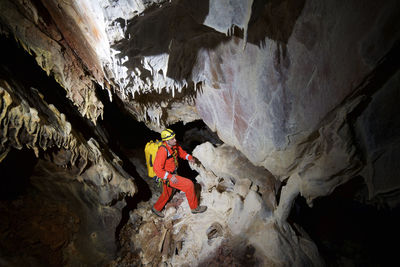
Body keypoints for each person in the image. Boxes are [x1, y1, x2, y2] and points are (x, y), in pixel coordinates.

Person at [151, 128, 207, 217]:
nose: (175, 140)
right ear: (167, 141)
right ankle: (195, 208)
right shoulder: (163, 151)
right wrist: (169, 177)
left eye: (174, 137)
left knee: (167, 194)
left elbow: (181, 153)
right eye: (172, 139)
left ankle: (156, 208)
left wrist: (189, 157)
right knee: (189, 185)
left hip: (172, 173)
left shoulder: (174, 145)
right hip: (168, 176)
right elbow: (157, 169)